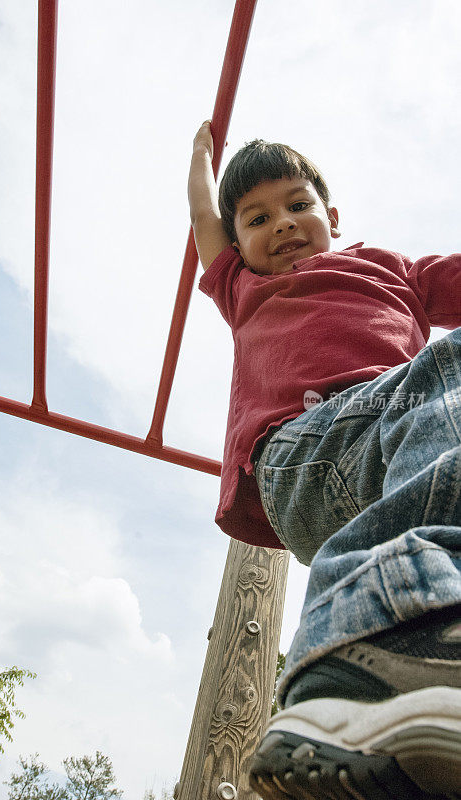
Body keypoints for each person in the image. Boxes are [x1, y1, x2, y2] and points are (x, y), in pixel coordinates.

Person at [188, 120, 461, 800]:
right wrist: (199, 164)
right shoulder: (242, 288)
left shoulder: (391, 268)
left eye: (297, 205)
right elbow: (202, 220)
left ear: (332, 216)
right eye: (256, 218)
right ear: (238, 243)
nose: (281, 224)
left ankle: (401, 683)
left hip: (402, 457)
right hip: (306, 451)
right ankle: (352, 659)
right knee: (447, 375)